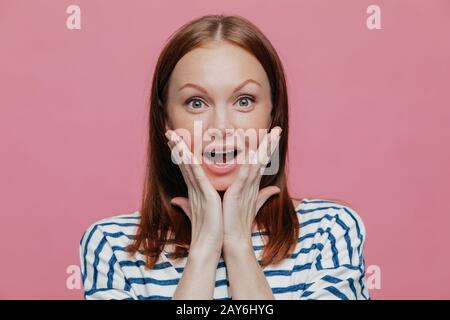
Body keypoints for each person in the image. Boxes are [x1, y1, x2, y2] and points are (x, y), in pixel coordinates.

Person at [79, 14, 370, 300]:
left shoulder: (329, 232)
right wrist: (204, 248)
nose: (220, 127)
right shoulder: (112, 246)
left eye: (244, 101)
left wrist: (238, 246)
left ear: (272, 113)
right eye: (196, 102)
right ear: (165, 119)